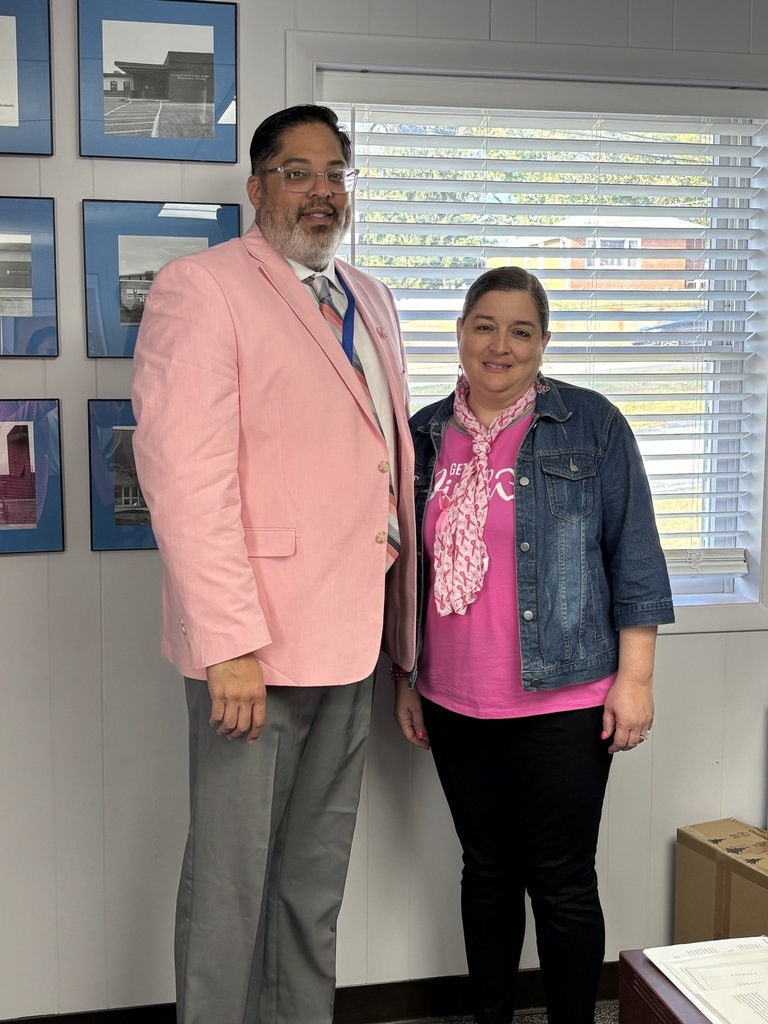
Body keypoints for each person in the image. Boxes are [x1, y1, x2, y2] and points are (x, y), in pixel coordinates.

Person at [131, 104, 416, 1024]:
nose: (320, 191)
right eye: (298, 172)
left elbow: (380, 463)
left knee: (313, 880)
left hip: (351, 640)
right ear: (257, 188)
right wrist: (227, 646)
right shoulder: (202, 287)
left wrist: (403, 642)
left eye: (335, 173)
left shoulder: (368, 297)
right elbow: (184, 477)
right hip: (254, 648)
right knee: (230, 886)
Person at [392, 267, 674, 1024]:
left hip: (565, 699)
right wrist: (405, 677)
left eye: (521, 331)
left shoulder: (591, 424)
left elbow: (635, 556)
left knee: (561, 880)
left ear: (543, 342)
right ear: (460, 333)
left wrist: (636, 680)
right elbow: (405, 571)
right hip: (454, 698)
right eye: (485, 326)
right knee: (485, 873)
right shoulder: (422, 436)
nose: (500, 345)